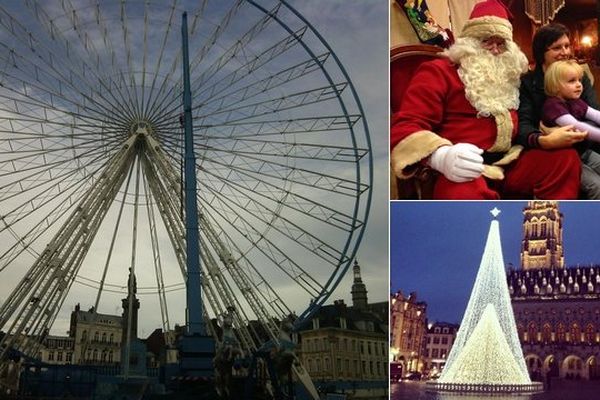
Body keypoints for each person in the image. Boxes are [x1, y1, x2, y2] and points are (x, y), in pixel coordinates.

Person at [390, 0, 581, 199]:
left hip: (510, 160)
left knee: (564, 160)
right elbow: (405, 126)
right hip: (462, 168)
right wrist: (441, 157)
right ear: (468, 42)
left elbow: (530, 118)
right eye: (486, 41)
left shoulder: (512, 76)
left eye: (501, 43)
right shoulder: (438, 72)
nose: (496, 50)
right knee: (460, 192)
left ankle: (544, 225)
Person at [518, 23, 600, 199]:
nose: (565, 52)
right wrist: (544, 138)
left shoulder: (579, 76)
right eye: (557, 47)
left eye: (567, 46)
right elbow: (524, 126)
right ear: (541, 53)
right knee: (596, 186)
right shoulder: (528, 82)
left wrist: (570, 130)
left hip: (584, 146)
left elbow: (594, 113)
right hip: (550, 153)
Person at [543, 60, 600, 141]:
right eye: (572, 81)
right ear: (556, 86)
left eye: (579, 80)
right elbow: (576, 126)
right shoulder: (553, 105)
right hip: (562, 152)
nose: (579, 84)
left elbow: (596, 115)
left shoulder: (575, 101)